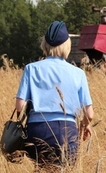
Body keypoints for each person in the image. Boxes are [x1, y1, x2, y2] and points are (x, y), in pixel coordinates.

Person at [15, 21, 94, 168]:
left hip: (36, 129)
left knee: (41, 168)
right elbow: (89, 114)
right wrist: (85, 125)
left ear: (44, 44)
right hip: (67, 131)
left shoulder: (31, 69)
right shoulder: (79, 73)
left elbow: (19, 105)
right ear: (67, 46)